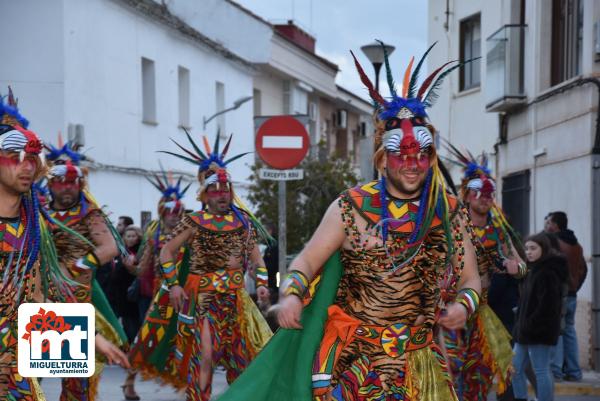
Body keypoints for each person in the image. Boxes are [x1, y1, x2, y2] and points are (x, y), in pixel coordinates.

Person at [219, 43, 480, 401]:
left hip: (420, 364)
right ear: (382, 156)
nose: (411, 163)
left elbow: (471, 279)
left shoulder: (448, 211)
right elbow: (307, 261)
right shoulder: (351, 207)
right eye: (400, 155)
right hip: (356, 364)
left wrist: (463, 306)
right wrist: (292, 295)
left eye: (421, 155)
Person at [0, 87, 129, 400]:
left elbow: (49, 286)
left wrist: (92, 337)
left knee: (75, 384)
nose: (27, 166)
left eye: (33, 158)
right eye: (15, 157)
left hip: (38, 328)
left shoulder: (36, 224)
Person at [129, 132, 273, 401]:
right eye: (215, 190)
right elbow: (167, 254)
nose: (221, 194)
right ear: (204, 195)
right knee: (205, 356)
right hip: (203, 300)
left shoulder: (244, 223)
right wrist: (173, 286)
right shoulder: (194, 222)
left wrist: (263, 285)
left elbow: (257, 261)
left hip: (236, 302)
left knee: (243, 362)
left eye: (225, 189)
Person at [45, 136, 128, 400]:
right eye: (61, 183)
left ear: (80, 184)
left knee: (75, 377)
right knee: (32, 371)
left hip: (75, 299)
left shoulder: (89, 214)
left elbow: (109, 248)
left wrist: (77, 265)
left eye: (72, 183)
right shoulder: (40, 213)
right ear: (51, 185)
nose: (67, 189)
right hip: (43, 298)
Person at [443, 148, 525, 400]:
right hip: (452, 311)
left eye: (490, 191)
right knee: (447, 372)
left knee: (479, 375)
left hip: (483, 313)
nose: (485, 196)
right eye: (479, 189)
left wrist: (515, 268)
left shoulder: (498, 231)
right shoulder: (452, 224)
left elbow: (522, 266)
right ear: (467, 194)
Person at [512, 233, 568, 401]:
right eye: (527, 248)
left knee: (541, 370)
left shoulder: (547, 273)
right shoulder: (534, 269)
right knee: (514, 368)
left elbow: (548, 307)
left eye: (533, 248)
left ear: (544, 249)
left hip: (538, 331)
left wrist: (529, 324)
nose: (528, 252)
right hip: (525, 331)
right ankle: (521, 398)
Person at [545, 211, 586, 382]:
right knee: (569, 331)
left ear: (555, 225)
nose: (547, 225)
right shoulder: (577, 246)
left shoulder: (553, 242)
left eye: (549, 222)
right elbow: (583, 269)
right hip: (572, 295)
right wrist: (575, 285)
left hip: (557, 294)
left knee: (557, 331)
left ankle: (556, 372)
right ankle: (574, 372)